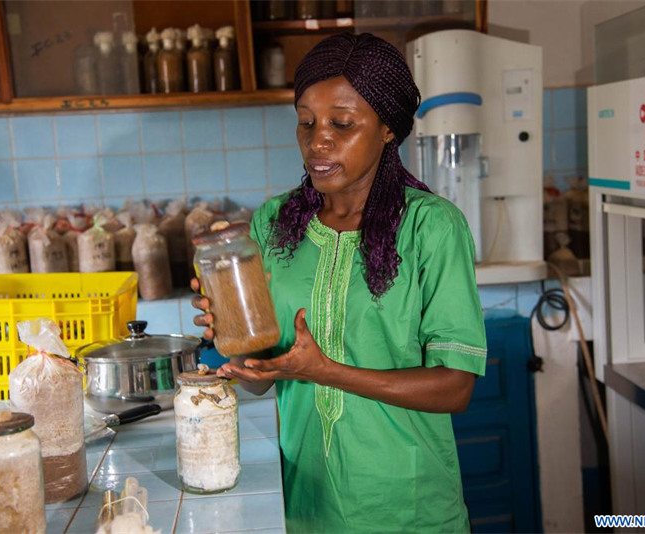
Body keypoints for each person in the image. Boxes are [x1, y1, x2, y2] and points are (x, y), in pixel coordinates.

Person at [191, 33, 486, 534]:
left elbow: (455, 387)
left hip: (408, 511)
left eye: (342, 124)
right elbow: (265, 370)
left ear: (388, 129)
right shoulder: (274, 223)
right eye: (305, 121)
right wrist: (237, 350)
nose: (317, 140)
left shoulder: (431, 227)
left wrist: (327, 371)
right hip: (305, 508)